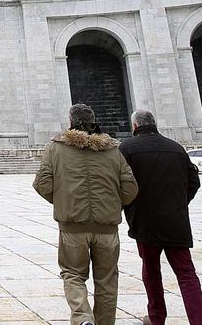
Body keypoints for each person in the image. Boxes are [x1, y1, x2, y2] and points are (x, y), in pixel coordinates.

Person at [33, 104, 137, 325]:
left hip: (72, 226)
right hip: (107, 228)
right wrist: (112, 205)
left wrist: (64, 201)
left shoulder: (56, 148)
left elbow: (42, 183)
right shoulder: (112, 150)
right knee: (107, 280)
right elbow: (130, 188)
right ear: (94, 121)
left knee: (72, 274)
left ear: (71, 121)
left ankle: (82, 318)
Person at [119, 109, 202, 325]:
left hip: (145, 222)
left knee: (151, 271)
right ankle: (200, 322)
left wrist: (129, 207)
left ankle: (156, 317)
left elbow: (121, 184)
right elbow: (193, 182)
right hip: (175, 222)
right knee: (187, 274)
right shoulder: (176, 148)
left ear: (135, 126)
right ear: (154, 123)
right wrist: (178, 204)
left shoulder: (127, 148)